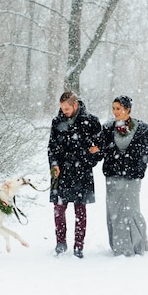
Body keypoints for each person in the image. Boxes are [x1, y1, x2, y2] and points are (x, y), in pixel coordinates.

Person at [94, 95, 148, 256]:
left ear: (127, 109)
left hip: (132, 177)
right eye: (113, 108)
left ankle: (137, 246)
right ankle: (120, 247)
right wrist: (95, 150)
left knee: (132, 211)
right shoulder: (107, 128)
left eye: (118, 108)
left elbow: (147, 152)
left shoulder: (142, 129)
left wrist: (139, 168)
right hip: (113, 176)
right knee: (114, 211)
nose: (115, 112)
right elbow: (100, 149)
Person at [47, 91, 102, 258]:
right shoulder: (57, 122)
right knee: (59, 209)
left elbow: (100, 146)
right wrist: (54, 164)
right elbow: (51, 147)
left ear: (75, 105)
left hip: (81, 171)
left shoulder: (91, 121)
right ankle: (60, 243)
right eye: (62, 108)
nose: (64, 111)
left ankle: (79, 246)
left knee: (80, 210)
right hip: (61, 171)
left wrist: (93, 155)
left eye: (66, 108)